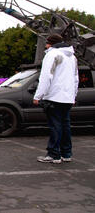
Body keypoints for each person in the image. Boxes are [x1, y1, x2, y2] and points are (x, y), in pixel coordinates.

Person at [34, 34, 79, 164]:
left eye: (46, 44)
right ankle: (66, 153)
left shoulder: (52, 55)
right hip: (68, 97)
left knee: (55, 126)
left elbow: (46, 77)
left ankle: (54, 154)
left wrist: (38, 96)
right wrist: (73, 95)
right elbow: (76, 78)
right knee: (65, 125)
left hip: (54, 96)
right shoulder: (72, 57)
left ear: (50, 44)